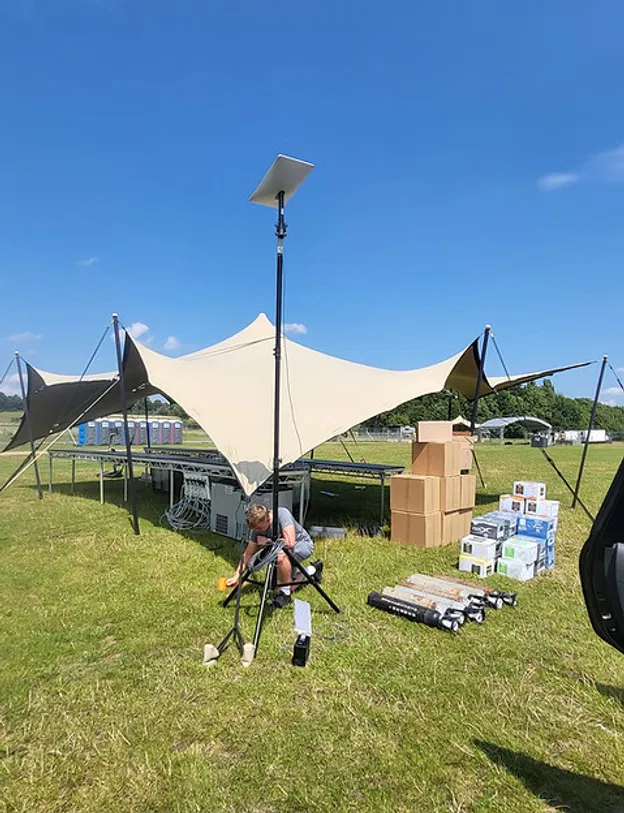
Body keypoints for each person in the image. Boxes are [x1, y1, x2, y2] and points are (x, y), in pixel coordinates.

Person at [226, 503, 322, 608]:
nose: (257, 530)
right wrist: (236, 576)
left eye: (259, 527)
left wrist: (269, 541)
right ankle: (313, 569)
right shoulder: (257, 528)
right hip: (281, 550)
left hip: (301, 545)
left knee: (281, 560)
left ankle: (285, 594)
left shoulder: (281, 514)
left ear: (267, 519)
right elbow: (248, 553)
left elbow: (290, 542)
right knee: (275, 585)